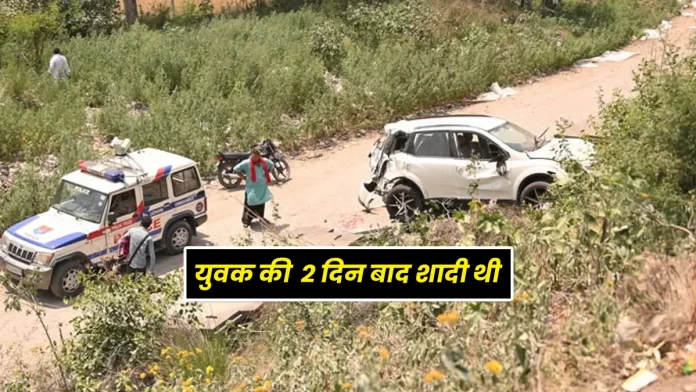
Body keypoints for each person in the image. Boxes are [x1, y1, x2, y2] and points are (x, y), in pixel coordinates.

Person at [233, 147, 274, 228]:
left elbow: (271, 165)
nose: (254, 158)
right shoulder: (246, 163)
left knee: (261, 203)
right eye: (252, 157)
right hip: (251, 188)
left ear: (259, 156)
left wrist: (266, 173)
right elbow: (236, 169)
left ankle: (261, 218)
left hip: (261, 188)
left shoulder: (264, 161)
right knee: (249, 204)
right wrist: (243, 177)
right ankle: (246, 221)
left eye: (255, 157)